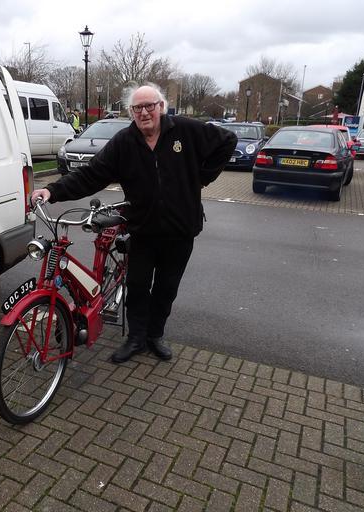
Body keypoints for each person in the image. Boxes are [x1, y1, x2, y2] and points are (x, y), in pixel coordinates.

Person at [31, 83, 237, 364]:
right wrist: (52, 190)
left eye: (149, 106)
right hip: (142, 230)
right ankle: (136, 338)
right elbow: (92, 174)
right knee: (137, 287)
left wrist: (202, 177)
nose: (144, 112)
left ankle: (155, 336)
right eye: (137, 108)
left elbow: (227, 140)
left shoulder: (186, 131)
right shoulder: (124, 142)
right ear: (131, 112)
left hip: (180, 230)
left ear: (161, 107)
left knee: (166, 288)